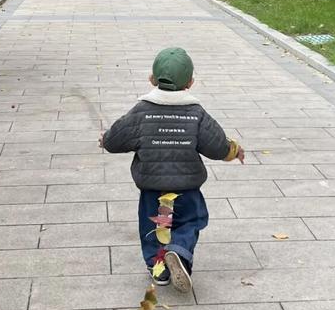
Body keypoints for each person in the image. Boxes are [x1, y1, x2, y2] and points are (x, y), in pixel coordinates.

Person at [100, 47, 244, 292]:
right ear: (190, 83)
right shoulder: (196, 114)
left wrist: (105, 139)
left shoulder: (141, 112)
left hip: (151, 189)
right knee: (193, 220)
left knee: (153, 228)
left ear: (152, 80)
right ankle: (178, 250)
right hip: (187, 188)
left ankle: (159, 272)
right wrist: (234, 150)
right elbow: (217, 146)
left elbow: (115, 140)